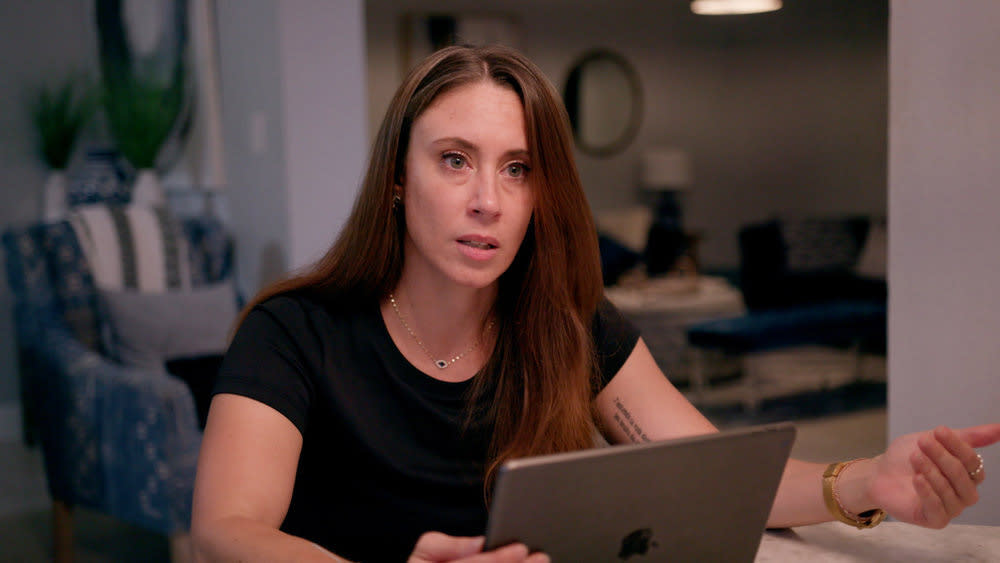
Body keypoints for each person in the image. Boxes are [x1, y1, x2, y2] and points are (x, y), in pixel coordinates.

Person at [190, 44, 999, 562]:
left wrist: (867, 482)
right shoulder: (293, 331)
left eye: (516, 168)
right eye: (454, 160)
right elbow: (228, 527)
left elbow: (717, 474)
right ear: (399, 181)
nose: (487, 200)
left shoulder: (567, 323)